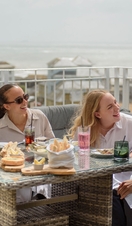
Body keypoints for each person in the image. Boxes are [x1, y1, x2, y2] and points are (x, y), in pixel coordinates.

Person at [68, 89, 132, 226]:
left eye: (115, 102)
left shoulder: (129, 124)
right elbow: (75, 158)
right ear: (97, 114)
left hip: (124, 182)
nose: (117, 108)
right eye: (110, 107)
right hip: (95, 184)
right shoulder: (84, 131)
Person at [0, 83, 55, 203]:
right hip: (13, 176)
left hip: (40, 169)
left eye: (25, 97)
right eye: (19, 100)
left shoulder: (39, 117)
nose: (25, 102)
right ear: (6, 106)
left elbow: (53, 145)